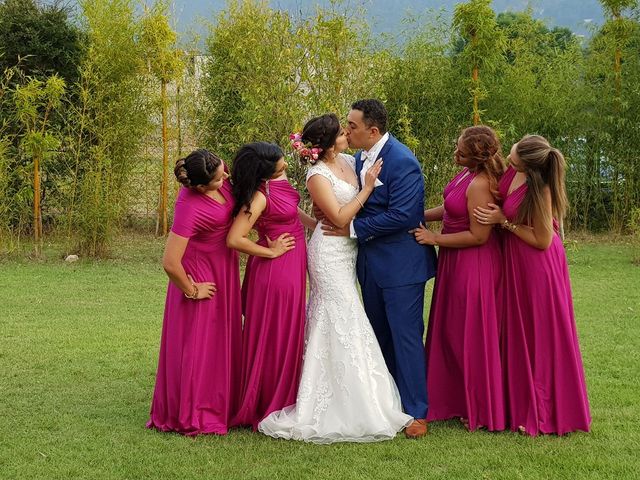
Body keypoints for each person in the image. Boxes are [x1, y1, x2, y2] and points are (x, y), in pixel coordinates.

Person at [259, 114, 413, 443]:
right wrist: (368, 187)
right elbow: (339, 216)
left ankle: (365, 396)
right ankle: (335, 401)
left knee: (348, 316)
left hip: (349, 252)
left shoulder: (348, 160)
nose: (347, 134)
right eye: (342, 133)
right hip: (328, 252)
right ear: (329, 144)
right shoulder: (317, 175)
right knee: (341, 315)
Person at [323, 99, 437, 438]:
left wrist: (353, 229)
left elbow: (405, 214)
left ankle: (417, 411)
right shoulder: (358, 158)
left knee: (405, 337)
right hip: (368, 264)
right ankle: (386, 403)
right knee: (376, 335)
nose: (347, 131)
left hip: (401, 265)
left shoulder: (403, 162)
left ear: (373, 131)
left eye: (353, 126)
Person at [473, 134, 591, 436]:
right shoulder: (515, 171)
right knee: (516, 331)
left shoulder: (541, 189)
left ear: (526, 161)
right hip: (516, 261)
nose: (509, 154)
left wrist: (504, 222)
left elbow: (543, 240)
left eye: (514, 154)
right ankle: (514, 403)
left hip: (538, 266)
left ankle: (542, 410)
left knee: (539, 334)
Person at [413, 126, 506, 432]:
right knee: (452, 330)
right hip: (456, 262)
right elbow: (451, 208)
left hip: (473, 264)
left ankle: (475, 404)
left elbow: (479, 236)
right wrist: (416, 215)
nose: (455, 153)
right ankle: (451, 396)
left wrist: (434, 238)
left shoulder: (480, 184)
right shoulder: (466, 175)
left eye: (461, 152)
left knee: (469, 334)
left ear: (476, 158)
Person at [147, 149, 242, 435]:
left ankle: (224, 403)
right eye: (216, 180)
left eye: (223, 171)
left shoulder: (219, 176)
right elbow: (170, 262)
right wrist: (191, 290)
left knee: (220, 343)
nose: (224, 178)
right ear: (199, 186)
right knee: (200, 347)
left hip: (224, 270)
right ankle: (195, 410)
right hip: (200, 277)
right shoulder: (190, 206)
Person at [226, 142, 309, 431]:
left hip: (293, 265)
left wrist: (314, 223)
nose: (284, 160)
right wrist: (269, 251)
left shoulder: (279, 179)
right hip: (276, 271)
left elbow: (290, 211)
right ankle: (265, 401)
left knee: (288, 331)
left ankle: (284, 395)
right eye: (278, 159)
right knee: (275, 335)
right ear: (267, 169)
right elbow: (235, 239)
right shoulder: (260, 197)